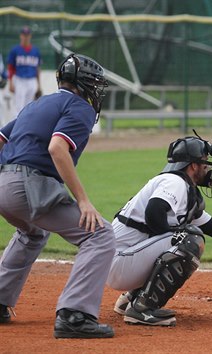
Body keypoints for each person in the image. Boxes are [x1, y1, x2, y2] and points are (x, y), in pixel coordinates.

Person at [106, 133, 212, 326]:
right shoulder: (174, 182)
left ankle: (130, 299)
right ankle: (142, 309)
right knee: (188, 239)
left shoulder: (185, 189)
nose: (209, 167)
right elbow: (154, 211)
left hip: (124, 260)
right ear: (193, 165)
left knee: (185, 235)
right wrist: (175, 233)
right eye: (205, 161)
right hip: (120, 261)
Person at [0, 53, 115, 338]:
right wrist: (84, 200)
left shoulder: (37, 104)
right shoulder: (80, 107)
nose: (97, 90)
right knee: (99, 235)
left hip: (4, 184)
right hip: (28, 186)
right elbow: (57, 148)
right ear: (84, 83)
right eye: (95, 84)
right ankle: (75, 315)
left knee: (33, 233)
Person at [6, 25, 42, 118]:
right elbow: (10, 67)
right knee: (18, 107)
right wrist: (10, 83)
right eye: (24, 34)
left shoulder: (35, 51)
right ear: (20, 36)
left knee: (29, 106)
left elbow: (37, 68)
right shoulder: (15, 50)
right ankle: (16, 129)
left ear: (30, 36)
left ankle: (26, 127)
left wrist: (39, 85)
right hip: (19, 80)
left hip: (32, 80)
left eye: (27, 35)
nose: (25, 37)